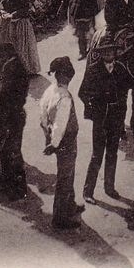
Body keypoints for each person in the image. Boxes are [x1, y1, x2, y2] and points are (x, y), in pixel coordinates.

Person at [79, 36, 133, 203]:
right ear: (101, 53)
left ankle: (109, 187)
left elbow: (129, 86)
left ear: (115, 52)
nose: (109, 53)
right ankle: (88, 192)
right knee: (97, 155)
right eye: (105, 51)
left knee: (112, 153)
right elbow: (82, 93)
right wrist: (93, 108)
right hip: (100, 119)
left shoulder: (121, 69)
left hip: (116, 119)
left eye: (111, 50)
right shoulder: (93, 70)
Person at [40, 57, 84, 230]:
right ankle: (60, 218)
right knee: (65, 177)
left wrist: (47, 135)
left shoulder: (50, 90)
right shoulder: (64, 97)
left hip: (56, 139)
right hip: (66, 141)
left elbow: (42, 113)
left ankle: (70, 205)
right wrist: (55, 143)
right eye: (68, 74)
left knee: (68, 173)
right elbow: (62, 122)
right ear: (64, 75)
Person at [0, 44, 29, 201]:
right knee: (2, 151)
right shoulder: (11, 66)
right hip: (7, 115)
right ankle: (1, 184)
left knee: (9, 152)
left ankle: (15, 188)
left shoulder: (13, 69)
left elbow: (5, 96)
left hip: (11, 117)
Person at [0, 0, 40, 75]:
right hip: (7, 22)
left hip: (20, 23)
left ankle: (24, 69)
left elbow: (26, 10)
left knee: (21, 46)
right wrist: (3, 12)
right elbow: (1, 5)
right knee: (8, 45)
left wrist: (13, 15)